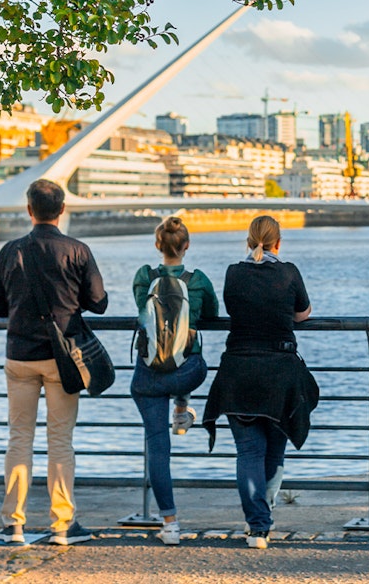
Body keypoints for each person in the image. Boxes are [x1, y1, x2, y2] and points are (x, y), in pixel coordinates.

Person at [0, 179, 108, 546]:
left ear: (29, 210)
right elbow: (99, 302)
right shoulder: (77, 251)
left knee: (19, 438)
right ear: (62, 210)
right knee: (60, 441)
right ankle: (62, 525)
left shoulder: (10, 251)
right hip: (63, 359)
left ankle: (13, 525)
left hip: (20, 356)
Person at [203, 216, 317, 550]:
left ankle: (257, 526)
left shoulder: (233, 273)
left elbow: (233, 308)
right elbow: (303, 314)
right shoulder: (288, 272)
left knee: (248, 452)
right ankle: (263, 516)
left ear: (248, 241)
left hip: (238, 371)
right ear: (278, 242)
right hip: (279, 373)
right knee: (275, 448)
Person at [130, 216, 219, 546]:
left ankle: (169, 523)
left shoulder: (144, 277)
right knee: (201, 366)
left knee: (158, 449)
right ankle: (182, 406)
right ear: (187, 247)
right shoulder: (197, 281)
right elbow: (212, 312)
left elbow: (142, 310)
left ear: (157, 246)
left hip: (148, 375)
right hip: (185, 371)